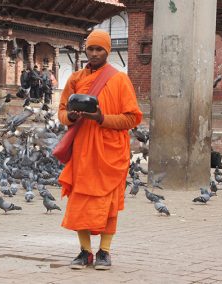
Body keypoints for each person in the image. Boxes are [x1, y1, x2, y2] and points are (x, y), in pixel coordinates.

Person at [57, 29, 142, 270]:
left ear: (108, 51)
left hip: (110, 151)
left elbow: (131, 119)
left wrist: (101, 118)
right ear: (85, 50)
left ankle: (104, 252)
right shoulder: (74, 79)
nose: (94, 54)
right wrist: (71, 117)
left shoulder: (119, 79)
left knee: (108, 204)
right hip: (83, 149)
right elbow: (61, 112)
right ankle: (85, 252)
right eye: (90, 49)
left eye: (99, 49)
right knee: (80, 201)